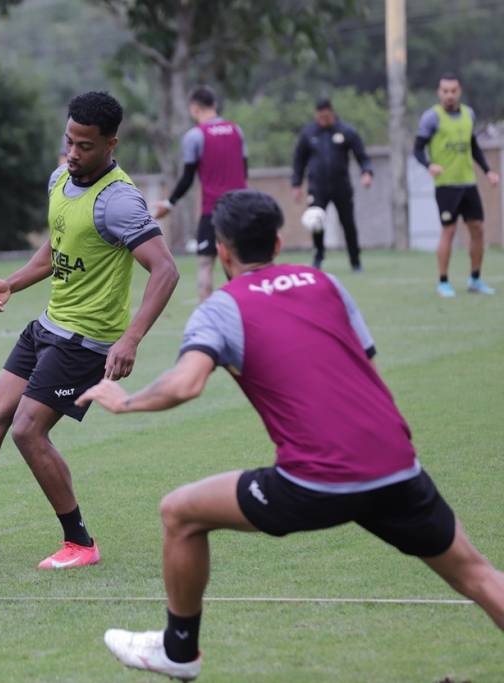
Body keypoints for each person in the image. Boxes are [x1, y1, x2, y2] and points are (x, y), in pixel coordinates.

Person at [77, 189, 504, 680]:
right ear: (279, 243)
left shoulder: (223, 306)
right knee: (477, 575)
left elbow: (187, 382)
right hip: (396, 465)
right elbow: (364, 367)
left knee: (180, 512)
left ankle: (179, 651)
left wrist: (125, 400)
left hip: (315, 481)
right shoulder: (325, 282)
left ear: (222, 251)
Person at [0, 91, 180, 570]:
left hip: (86, 340)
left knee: (28, 429)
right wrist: (12, 283)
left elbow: (166, 270)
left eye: (86, 146)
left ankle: (81, 543)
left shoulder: (119, 202)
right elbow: (53, 253)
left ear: (111, 144)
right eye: (69, 141)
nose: (73, 153)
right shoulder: (61, 177)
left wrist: (130, 339)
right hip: (48, 326)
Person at [154, 85, 247, 302]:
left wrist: (169, 203)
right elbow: (245, 170)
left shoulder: (195, 136)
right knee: (238, 262)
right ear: (214, 105)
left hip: (213, 210)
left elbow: (187, 177)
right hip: (241, 208)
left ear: (194, 108)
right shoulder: (236, 130)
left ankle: (207, 319)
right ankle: (244, 311)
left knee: (206, 263)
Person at [414, 73, 499, 297]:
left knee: (478, 230)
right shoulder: (431, 118)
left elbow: (474, 147)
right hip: (446, 185)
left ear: (459, 91)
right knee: (449, 231)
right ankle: (443, 282)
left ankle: (475, 279)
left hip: (468, 183)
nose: (449, 95)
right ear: (439, 92)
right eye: (445, 91)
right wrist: (429, 165)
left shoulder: (468, 114)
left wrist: (488, 171)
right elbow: (417, 149)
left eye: (453, 91)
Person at [292, 97, 373, 271]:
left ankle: (355, 260)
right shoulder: (308, 134)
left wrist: (366, 172)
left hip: (341, 186)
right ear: (316, 115)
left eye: (326, 116)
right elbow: (299, 161)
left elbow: (362, 155)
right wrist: (296, 184)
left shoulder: (346, 131)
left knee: (348, 223)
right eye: (320, 116)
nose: (323, 120)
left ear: (332, 113)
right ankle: (318, 256)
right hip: (318, 187)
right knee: (316, 222)